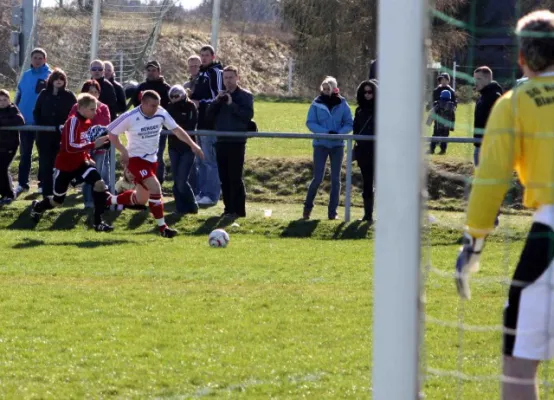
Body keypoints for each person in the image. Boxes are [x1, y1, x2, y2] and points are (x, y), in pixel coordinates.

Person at [455, 10, 554, 400]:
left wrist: (474, 241)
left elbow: (491, 179)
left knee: (519, 361)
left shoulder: (515, 103)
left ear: (521, 58)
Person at [107, 90, 204, 238]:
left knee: (141, 199)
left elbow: (176, 130)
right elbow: (111, 132)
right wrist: (123, 151)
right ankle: (163, 228)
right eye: (152, 105)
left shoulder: (161, 112)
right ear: (143, 104)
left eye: (157, 105)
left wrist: (193, 145)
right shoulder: (130, 116)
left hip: (151, 160)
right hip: (136, 160)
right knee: (155, 187)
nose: (155, 108)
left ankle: (109, 199)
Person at [30, 93, 113, 232]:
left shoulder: (86, 122)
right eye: (92, 109)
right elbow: (69, 147)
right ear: (82, 108)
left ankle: (98, 223)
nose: (96, 111)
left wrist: (87, 157)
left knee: (100, 184)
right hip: (66, 167)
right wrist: (93, 145)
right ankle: (38, 206)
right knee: (57, 201)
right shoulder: (73, 121)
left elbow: (82, 143)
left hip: (81, 164)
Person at [303, 76, 353, 220]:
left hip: (337, 145)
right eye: (323, 89)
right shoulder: (316, 104)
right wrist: (325, 132)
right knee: (317, 178)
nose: (325, 92)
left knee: (336, 180)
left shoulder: (343, 104)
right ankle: (307, 209)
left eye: (328, 89)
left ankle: (332, 212)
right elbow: (310, 122)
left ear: (334, 89)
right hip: (321, 144)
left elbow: (349, 123)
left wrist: (338, 134)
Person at [207, 65, 254, 218]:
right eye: (225, 78)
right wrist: (217, 101)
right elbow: (208, 115)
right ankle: (228, 209)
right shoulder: (221, 96)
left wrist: (231, 104)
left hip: (237, 141)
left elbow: (247, 115)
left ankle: (239, 211)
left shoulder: (245, 96)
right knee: (224, 178)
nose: (228, 81)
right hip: (221, 141)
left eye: (231, 77)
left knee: (235, 177)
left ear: (237, 78)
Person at [33, 68, 77, 199]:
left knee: (61, 164)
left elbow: (75, 112)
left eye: (61, 79)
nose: (59, 81)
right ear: (51, 80)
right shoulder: (44, 94)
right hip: (45, 136)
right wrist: (43, 125)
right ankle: (46, 192)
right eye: (56, 78)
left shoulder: (69, 95)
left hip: (62, 136)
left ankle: (59, 191)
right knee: (45, 163)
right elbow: (37, 111)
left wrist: (66, 126)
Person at [14, 48, 52, 196]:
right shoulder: (25, 75)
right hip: (25, 122)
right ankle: (23, 184)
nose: (37, 60)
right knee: (25, 154)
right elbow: (19, 96)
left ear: (45, 60)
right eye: (35, 57)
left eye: (40, 58)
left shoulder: (50, 75)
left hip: (41, 123)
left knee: (44, 154)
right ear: (31, 59)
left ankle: (43, 183)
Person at [190, 45, 224, 207]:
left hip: (210, 124)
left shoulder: (215, 72)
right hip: (199, 122)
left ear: (213, 56)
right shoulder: (201, 74)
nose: (203, 58)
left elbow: (219, 97)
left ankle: (212, 194)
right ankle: (202, 192)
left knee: (210, 161)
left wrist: (199, 103)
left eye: (206, 55)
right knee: (201, 161)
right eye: (201, 55)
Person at [68, 80, 111, 208]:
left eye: (95, 92)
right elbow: (72, 121)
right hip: (84, 147)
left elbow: (105, 124)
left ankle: (103, 202)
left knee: (101, 174)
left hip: (100, 147)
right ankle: (88, 202)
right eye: (90, 92)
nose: (93, 95)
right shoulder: (77, 107)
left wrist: (94, 108)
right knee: (89, 174)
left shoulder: (103, 108)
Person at [130, 60, 172, 184]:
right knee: (141, 155)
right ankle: (143, 182)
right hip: (141, 128)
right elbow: (135, 104)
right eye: (149, 70)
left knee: (157, 155)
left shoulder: (166, 88)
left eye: (154, 70)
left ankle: (157, 182)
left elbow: (169, 108)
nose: (151, 73)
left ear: (159, 72)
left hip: (159, 128)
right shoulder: (141, 87)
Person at [166, 85, 199, 214]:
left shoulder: (191, 107)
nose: (174, 99)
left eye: (177, 96)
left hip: (188, 147)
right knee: (176, 179)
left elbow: (190, 124)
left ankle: (192, 204)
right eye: (172, 96)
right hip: (174, 147)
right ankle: (181, 208)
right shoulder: (169, 108)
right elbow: (166, 124)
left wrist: (175, 127)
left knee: (181, 180)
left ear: (183, 94)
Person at [353, 80, 378, 223]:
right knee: (367, 183)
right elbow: (356, 128)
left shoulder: (382, 109)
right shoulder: (359, 110)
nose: (367, 95)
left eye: (370, 92)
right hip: (364, 151)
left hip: (379, 150)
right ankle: (368, 215)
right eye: (365, 92)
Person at [473, 66, 503, 166]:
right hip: (480, 144)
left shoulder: (494, 96)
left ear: (487, 79)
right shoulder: (484, 95)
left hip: (489, 147)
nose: (475, 82)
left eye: (479, 79)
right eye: (474, 79)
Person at [0, 90, 25, 205]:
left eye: (5, 100)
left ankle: (9, 194)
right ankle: (4, 193)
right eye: (0, 100)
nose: (3, 102)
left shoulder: (12, 109)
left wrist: (2, 122)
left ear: (9, 100)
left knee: (2, 168)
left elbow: (20, 121)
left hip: (10, 145)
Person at [426, 90, 456, 155]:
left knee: (434, 138)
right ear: (449, 97)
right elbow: (453, 118)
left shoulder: (438, 105)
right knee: (445, 139)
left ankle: (432, 150)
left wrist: (429, 122)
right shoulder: (451, 107)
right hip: (446, 127)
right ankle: (443, 150)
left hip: (437, 126)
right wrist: (452, 127)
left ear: (441, 96)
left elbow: (432, 113)